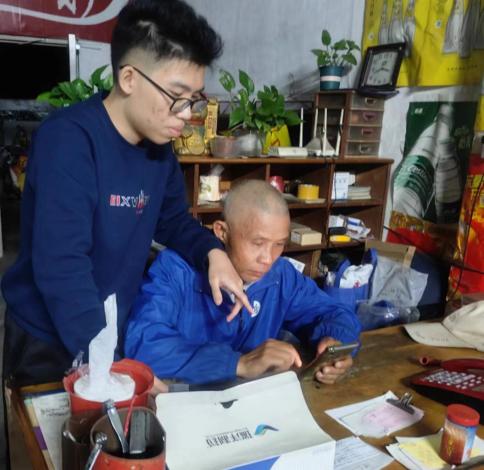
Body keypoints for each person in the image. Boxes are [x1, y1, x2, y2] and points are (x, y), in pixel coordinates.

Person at [1, 0, 251, 388]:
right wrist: (112, 369)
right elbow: (62, 265)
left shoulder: (158, 150)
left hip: (107, 331)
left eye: (194, 98)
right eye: (177, 95)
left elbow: (172, 221)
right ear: (130, 78)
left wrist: (213, 253)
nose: (187, 113)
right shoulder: (69, 141)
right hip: (46, 338)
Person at [125, 180, 361, 385]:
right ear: (222, 231)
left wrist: (335, 344)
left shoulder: (280, 276)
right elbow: (143, 346)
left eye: (279, 244)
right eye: (258, 243)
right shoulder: (176, 270)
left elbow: (335, 313)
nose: (267, 258)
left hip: (252, 401)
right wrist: (238, 363)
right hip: (184, 400)